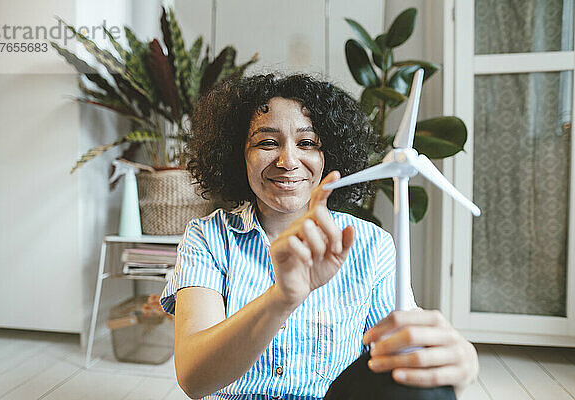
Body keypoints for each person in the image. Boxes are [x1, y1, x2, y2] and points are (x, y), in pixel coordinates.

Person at [159, 73, 479, 400]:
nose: (288, 161)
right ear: (238, 154)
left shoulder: (370, 243)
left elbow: (403, 348)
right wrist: (281, 298)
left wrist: (464, 359)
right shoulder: (207, 238)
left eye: (307, 143)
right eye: (267, 142)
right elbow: (193, 378)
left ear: (328, 157)